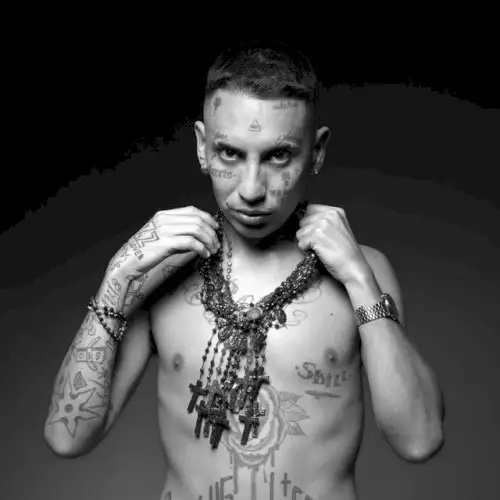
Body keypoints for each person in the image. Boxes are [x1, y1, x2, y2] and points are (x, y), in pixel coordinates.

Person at [44, 41, 445, 500]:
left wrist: (359, 280)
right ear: (202, 148)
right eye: (230, 154)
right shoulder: (160, 275)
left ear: (316, 152)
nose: (252, 190)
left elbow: (420, 440)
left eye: (278, 156)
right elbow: (66, 437)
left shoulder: (365, 271)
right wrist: (116, 279)